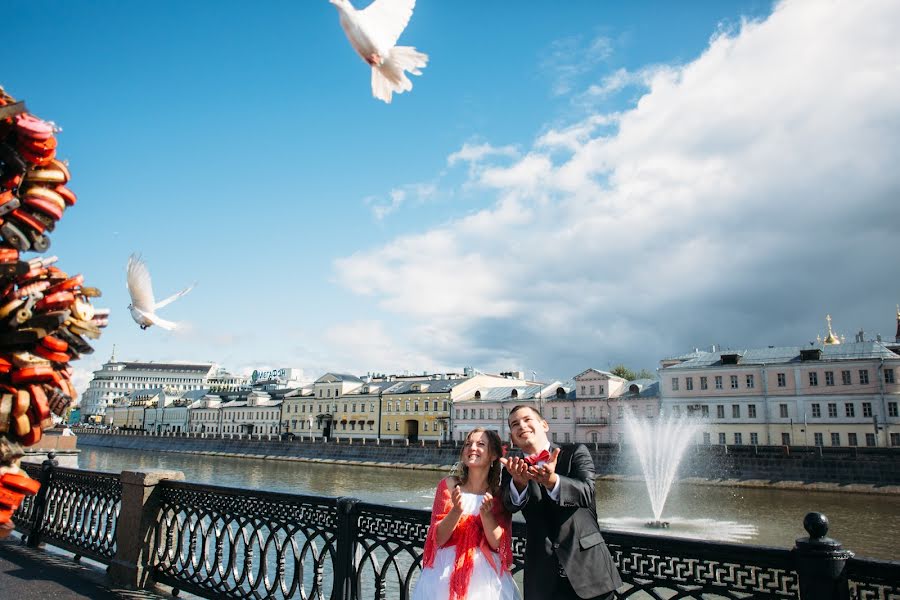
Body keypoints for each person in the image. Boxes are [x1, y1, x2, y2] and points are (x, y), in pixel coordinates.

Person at [500, 405, 622, 600]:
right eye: (515, 424)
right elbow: (509, 505)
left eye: (527, 419)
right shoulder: (513, 469)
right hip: (542, 578)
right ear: (513, 437)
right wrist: (519, 483)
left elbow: (586, 493)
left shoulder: (575, 452)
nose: (521, 426)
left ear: (544, 425)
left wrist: (552, 481)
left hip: (589, 573)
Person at [413, 428, 520, 600]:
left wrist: (486, 516)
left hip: (487, 580)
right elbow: (438, 539)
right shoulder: (448, 486)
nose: (472, 448)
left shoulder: (499, 494)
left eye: (481, 444)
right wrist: (456, 511)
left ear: (493, 456)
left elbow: (499, 545)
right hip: (444, 573)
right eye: (468, 444)